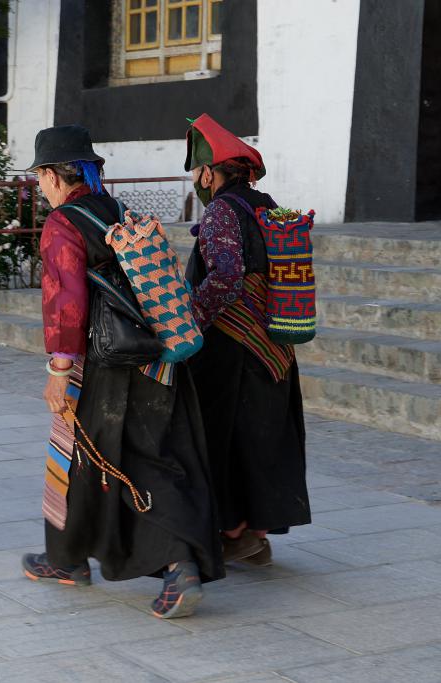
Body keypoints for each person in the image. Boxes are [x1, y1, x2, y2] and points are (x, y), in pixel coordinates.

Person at [20, 124, 223, 618]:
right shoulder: (118, 211)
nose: (39, 188)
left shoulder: (63, 223)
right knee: (95, 455)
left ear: (52, 175)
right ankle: (67, 556)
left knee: (127, 459)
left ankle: (180, 566)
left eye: (40, 178)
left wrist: (59, 369)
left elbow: (65, 301)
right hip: (155, 354)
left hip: (105, 364)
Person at [183, 113, 311, 565]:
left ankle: (234, 532)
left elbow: (226, 274)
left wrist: (188, 319)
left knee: (225, 437)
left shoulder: (222, 211)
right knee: (264, 437)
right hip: (276, 345)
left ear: (211, 171)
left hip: (232, 346)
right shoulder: (269, 206)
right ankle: (257, 533)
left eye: (199, 170)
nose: (197, 180)